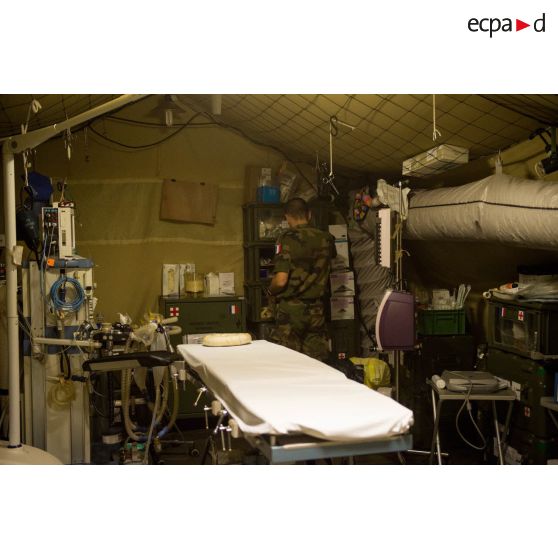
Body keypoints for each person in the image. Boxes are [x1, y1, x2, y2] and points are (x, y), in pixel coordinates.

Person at [265, 197, 336, 361]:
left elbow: (280, 280)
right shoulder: (326, 238)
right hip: (317, 310)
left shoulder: (286, 238)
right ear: (309, 215)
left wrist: (269, 290)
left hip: (291, 312)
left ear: (287, 217)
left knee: (289, 361)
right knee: (316, 362)